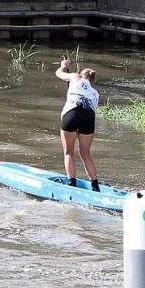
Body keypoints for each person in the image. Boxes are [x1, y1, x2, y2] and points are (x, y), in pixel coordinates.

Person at [54, 58, 101, 191]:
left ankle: (71, 183)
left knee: (69, 152)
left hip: (72, 114)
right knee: (85, 153)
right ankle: (95, 185)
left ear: (81, 74)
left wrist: (63, 66)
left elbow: (59, 73)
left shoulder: (75, 77)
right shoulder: (95, 93)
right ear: (92, 80)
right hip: (88, 116)